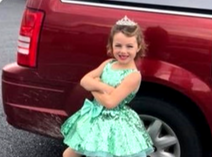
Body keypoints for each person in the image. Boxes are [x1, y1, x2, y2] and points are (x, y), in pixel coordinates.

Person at [60, 16, 153, 157]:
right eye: (118, 45)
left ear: (138, 47)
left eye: (129, 46)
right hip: (94, 118)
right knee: (69, 154)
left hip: (115, 124)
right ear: (111, 45)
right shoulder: (108, 63)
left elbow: (110, 103)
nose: (123, 51)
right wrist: (107, 89)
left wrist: (95, 85)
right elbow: (84, 80)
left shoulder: (133, 76)